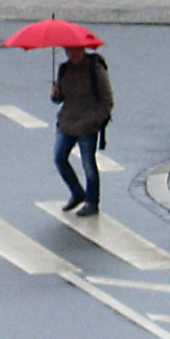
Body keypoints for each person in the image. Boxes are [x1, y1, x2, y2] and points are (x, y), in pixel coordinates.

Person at [50, 46, 114, 217]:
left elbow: (107, 100)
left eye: (76, 50)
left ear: (83, 50)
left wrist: (96, 120)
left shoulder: (95, 68)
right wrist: (55, 94)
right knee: (59, 158)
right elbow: (59, 99)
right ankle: (77, 192)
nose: (72, 54)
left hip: (88, 125)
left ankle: (92, 202)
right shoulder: (64, 69)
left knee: (88, 166)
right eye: (69, 51)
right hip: (67, 123)